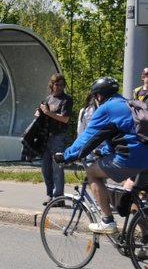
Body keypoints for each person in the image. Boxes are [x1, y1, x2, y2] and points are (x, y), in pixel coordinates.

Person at [58, 77, 148, 233]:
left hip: (132, 157)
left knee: (92, 172)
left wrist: (66, 156)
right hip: (144, 157)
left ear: (99, 95)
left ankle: (107, 221)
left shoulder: (106, 108)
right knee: (131, 198)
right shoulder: (127, 103)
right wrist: (104, 151)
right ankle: (146, 241)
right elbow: (126, 135)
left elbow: (87, 138)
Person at [38, 73, 73, 206]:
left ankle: (59, 197)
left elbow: (65, 118)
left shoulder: (66, 100)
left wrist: (48, 113)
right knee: (45, 167)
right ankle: (50, 195)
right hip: (46, 136)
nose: (58, 87)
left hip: (59, 136)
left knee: (57, 167)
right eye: (56, 84)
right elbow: (41, 114)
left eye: (61, 85)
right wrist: (39, 114)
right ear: (51, 85)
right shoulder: (47, 99)